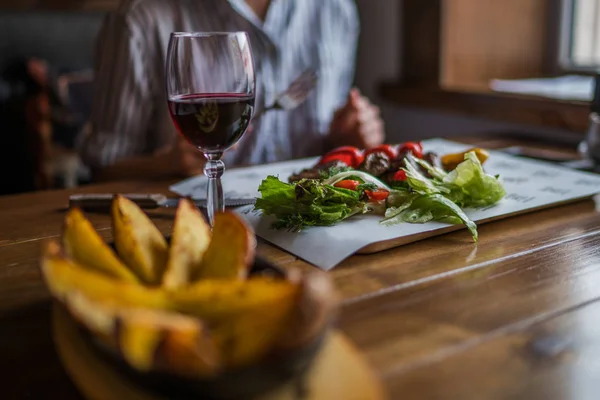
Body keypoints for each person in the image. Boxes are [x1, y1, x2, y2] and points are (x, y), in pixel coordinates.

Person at [79, 0, 385, 182]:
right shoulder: (138, 19)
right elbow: (103, 168)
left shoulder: (337, 10)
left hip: (307, 226)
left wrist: (348, 141)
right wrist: (167, 164)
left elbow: (331, 142)